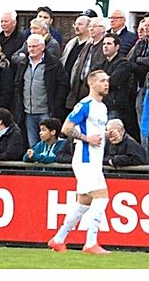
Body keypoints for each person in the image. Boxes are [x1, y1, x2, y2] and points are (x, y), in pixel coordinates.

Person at [47, 70, 111, 254]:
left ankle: (58, 239)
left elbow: (94, 130)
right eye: (102, 81)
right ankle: (91, 242)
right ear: (92, 84)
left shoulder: (102, 107)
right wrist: (86, 138)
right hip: (85, 159)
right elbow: (67, 128)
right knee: (102, 197)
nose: (106, 84)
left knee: (83, 203)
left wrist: (106, 135)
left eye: (107, 80)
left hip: (94, 159)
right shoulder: (85, 104)